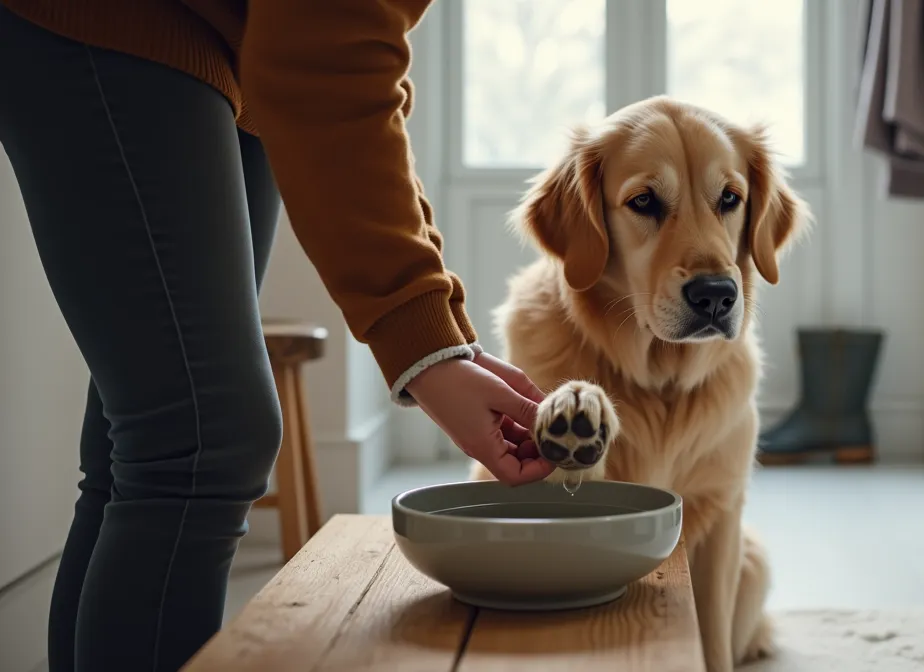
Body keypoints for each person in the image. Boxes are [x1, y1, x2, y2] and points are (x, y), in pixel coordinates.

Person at [0, 1, 555, 670]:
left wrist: (443, 341)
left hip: (233, 45)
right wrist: (427, 350)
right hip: (128, 18)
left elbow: (351, 55)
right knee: (203, 440)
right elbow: (329, 49)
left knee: (151, 450)